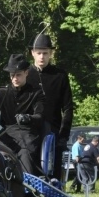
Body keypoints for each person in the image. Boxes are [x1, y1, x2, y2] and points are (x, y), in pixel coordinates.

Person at [0, 54, 45, 175]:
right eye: (12, 75)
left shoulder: (36, 93)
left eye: (18, 74)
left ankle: (27, 184)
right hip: (6, 133)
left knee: (24, 152)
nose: (15, 78)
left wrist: (28, 117)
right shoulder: (1, 93)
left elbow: (40, 116)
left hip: (28, 133)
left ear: (26, 73)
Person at [26, 32, 73, 180]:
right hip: (29, 133)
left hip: (53, 133)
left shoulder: (60, 76)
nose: (42, 57)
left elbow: (67, 107)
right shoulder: (25, 75)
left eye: (45, 53)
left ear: (51, 54)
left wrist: (63, 134)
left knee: (53, 176)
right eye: (39, 53)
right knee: (30, 173)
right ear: (32, 53)